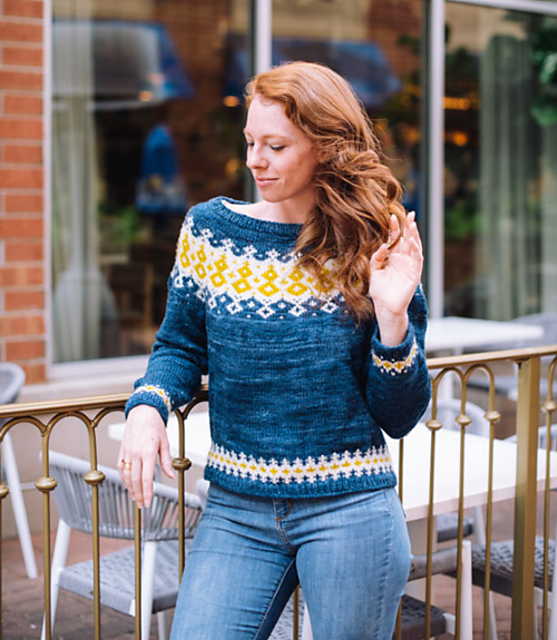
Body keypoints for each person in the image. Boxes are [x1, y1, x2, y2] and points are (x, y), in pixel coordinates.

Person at [118, 61, 431, 640]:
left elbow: (400, 415)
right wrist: (147, 406)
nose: (254, 160)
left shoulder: (374, 246)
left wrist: (392, 319)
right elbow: (179, 345)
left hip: (351, 508)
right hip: (236, 509)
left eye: (276, 146)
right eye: (250, 142)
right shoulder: (209, 232)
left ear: (325, 148)